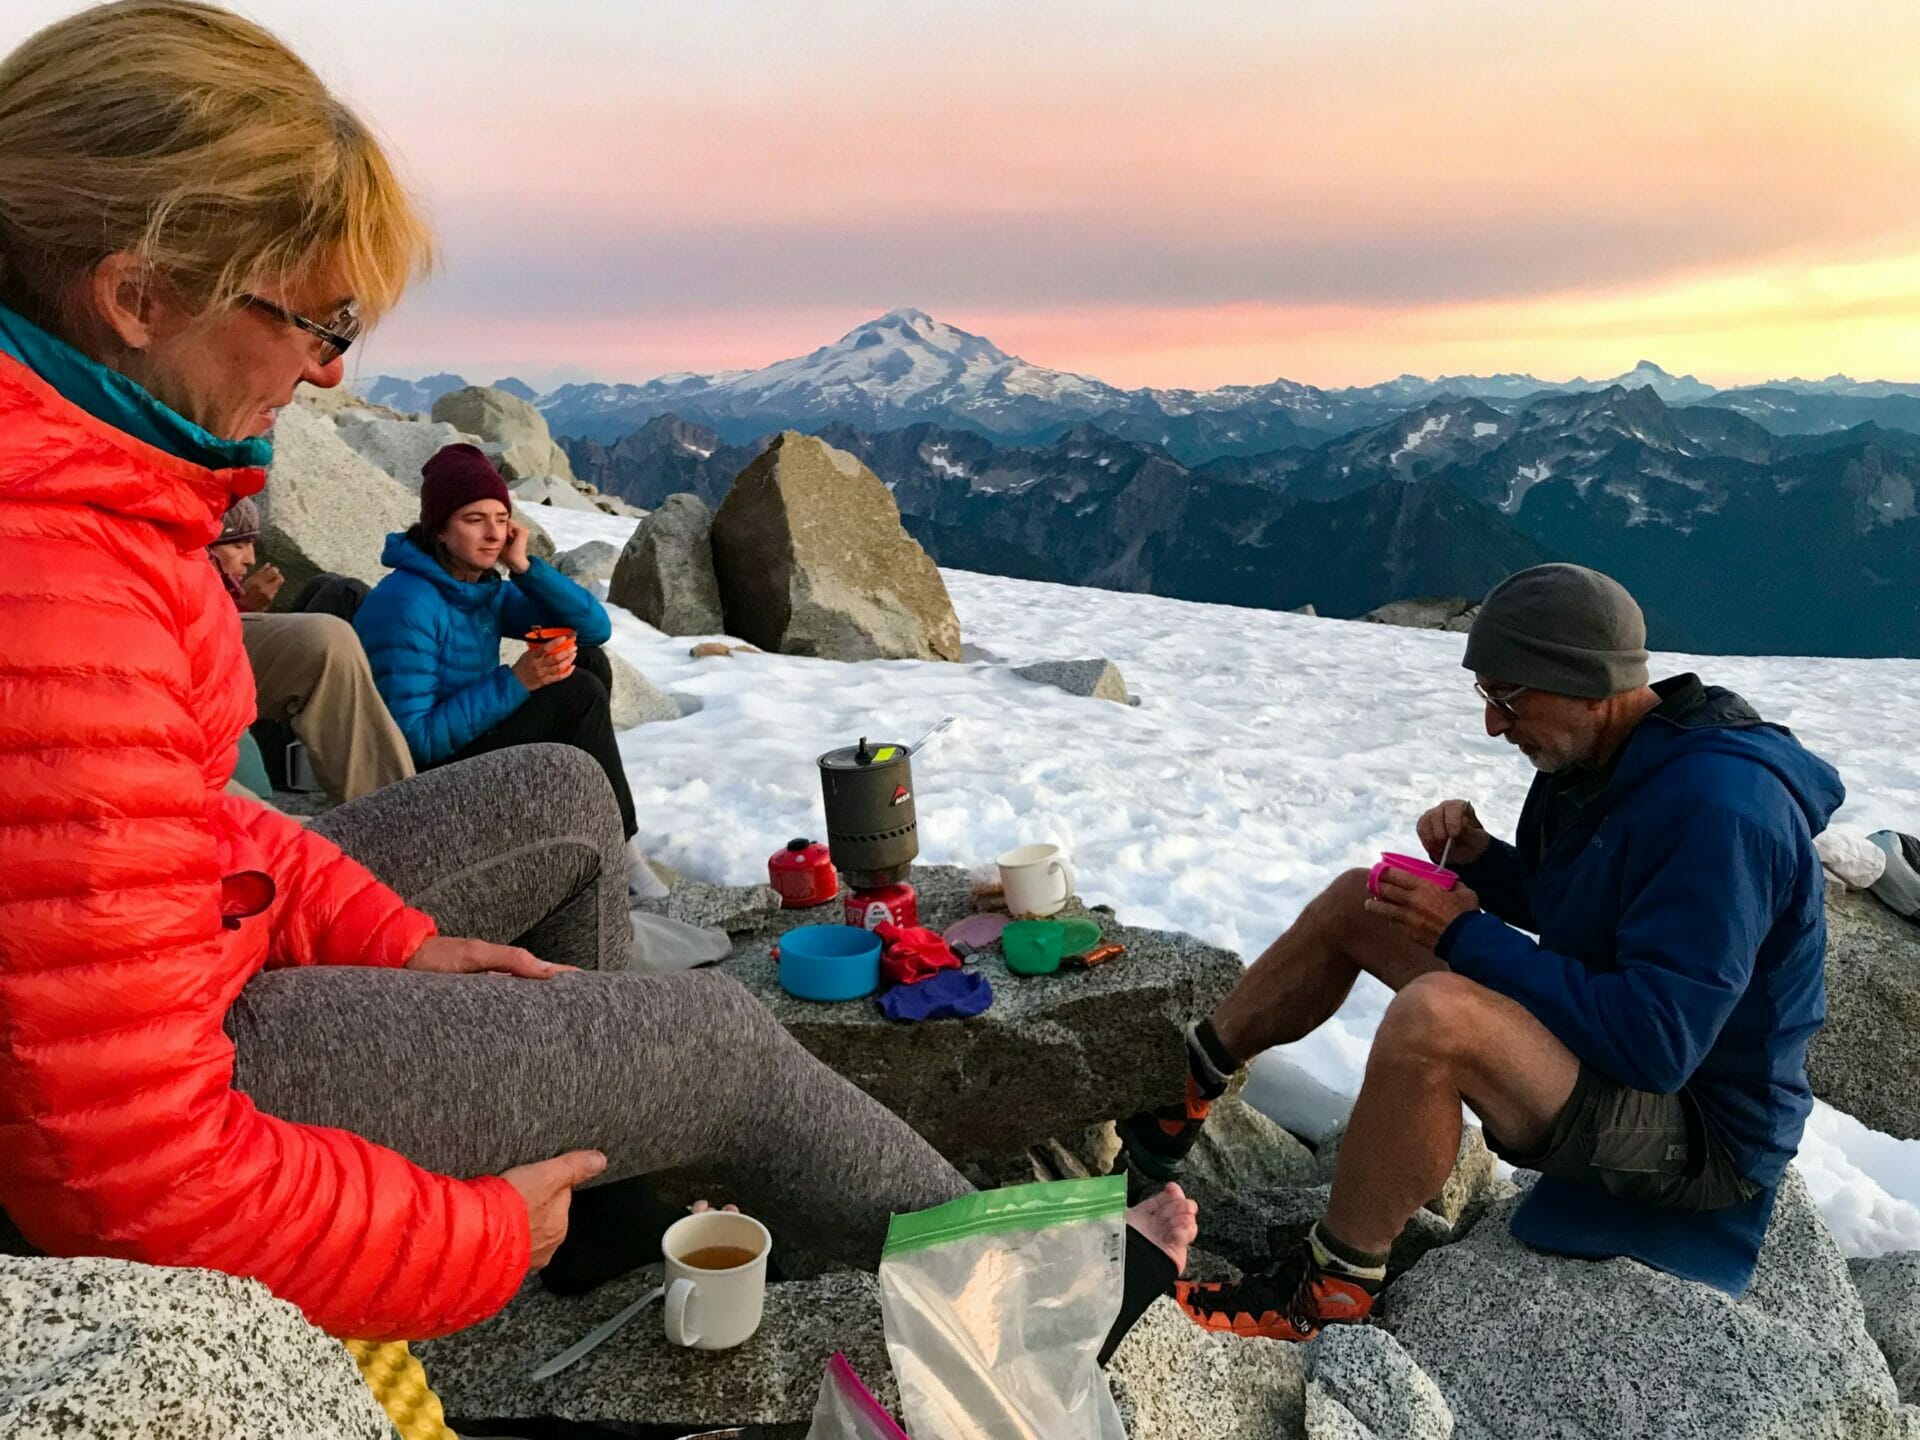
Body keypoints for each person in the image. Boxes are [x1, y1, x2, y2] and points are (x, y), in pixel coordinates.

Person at [0, 0, 1195, 1345]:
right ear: (137, 295)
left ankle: (606, 1194)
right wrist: (470, 1240)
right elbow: (121, 1174)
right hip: (187, 1069)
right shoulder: (53, 582)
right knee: (717, 1046)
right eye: (316, 320)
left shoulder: (82, 497)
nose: (331, 373)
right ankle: (1063, 1299)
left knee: (565, 795)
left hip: (177, 961)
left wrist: (395, 938)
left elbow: (158, 830)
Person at [1117, 563, 1842, 1339]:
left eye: (1509, 698)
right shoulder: (1608, 757)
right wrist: (1484, 862)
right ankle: (1177, 1105)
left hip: (1698, 1132)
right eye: (1487, 696)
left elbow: (1655, 1045)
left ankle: (1327, 1291)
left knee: (1439, 1020)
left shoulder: (1718, 814)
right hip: (1618, 1052)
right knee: (1364, 899)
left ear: (1587, 684)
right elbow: (1597, 908)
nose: (1495, 725)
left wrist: (1463, 930)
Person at [354, 443, 650, 882]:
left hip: (466, 743)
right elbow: (413, 742)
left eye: (501, 519)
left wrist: (525, 567)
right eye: (474, 520)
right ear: (439, 531)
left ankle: (580, 817)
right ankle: (618, 852)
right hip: (422, 781)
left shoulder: (477, 588)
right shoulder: (407, 604)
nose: (493, 534)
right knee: (577, 694)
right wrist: (517, 681)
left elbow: (593, 629)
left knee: (585, 659)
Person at [208, 495, 414, 803]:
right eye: (238, 544)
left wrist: (517, 568)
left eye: (503, 520)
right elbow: (424, 733)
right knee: (341, 596)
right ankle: (401, 812)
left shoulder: (489, 600)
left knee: (334, 599)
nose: (251, 559)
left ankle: (401, 817)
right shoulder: (416, 599)